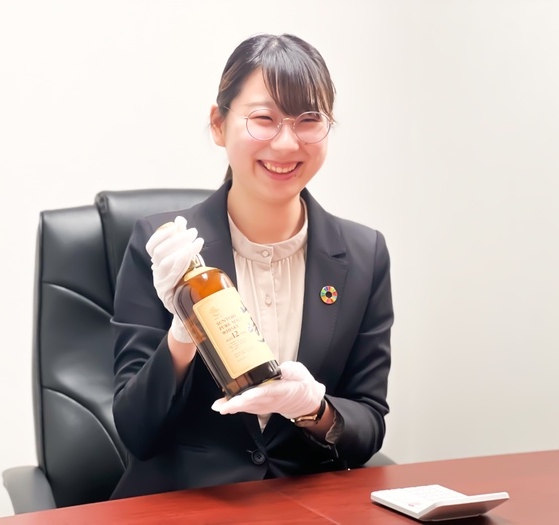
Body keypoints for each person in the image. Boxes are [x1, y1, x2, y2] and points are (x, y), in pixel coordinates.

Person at [110, 33, 393, 500]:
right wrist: (183, 335)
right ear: (218, 125)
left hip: (304, 506)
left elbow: (368, 425)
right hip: (183, 506)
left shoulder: (365, 255)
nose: (287, 142)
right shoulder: (165, 247)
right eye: (264, 119)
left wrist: (313, 409)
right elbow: (135, 432)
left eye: (309, 120)